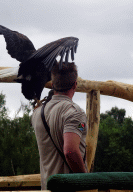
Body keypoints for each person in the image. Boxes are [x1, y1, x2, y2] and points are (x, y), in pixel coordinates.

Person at [31, 62, 88, 190]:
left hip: (47, 188)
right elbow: (70, 151)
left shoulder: (38, 112)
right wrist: (85, 180)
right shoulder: (75, 113)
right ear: (75, 84)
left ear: (52, 84)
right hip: (69, 188)